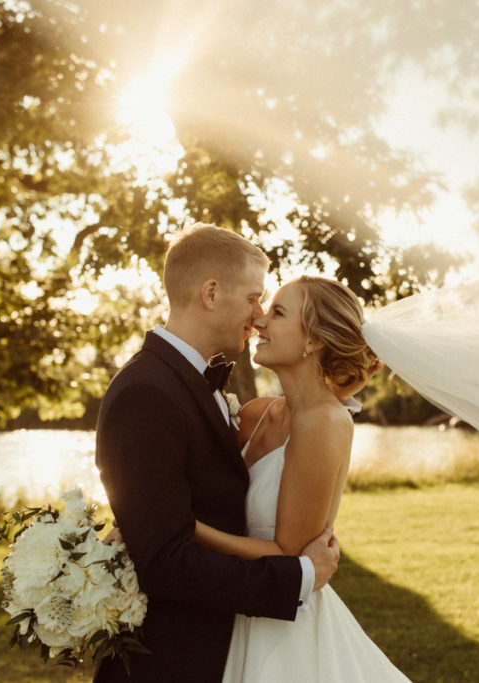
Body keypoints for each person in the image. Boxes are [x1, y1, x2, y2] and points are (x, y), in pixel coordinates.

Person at [94, 224, 341, 682]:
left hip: (220, 648)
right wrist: (299, 577)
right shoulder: (146, 391)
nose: (259, 313)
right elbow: (165, 562)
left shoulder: (194, 384)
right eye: (253, 297)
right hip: (170, 659)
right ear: (211, 293)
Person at [192, 275, 411, 682]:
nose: (259, 321)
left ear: (314, 340)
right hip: (233, 608)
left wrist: (183, 529)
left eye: (278, 312)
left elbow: (288, 553)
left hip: (282, 629)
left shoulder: (324, 422)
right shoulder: (257, 413)